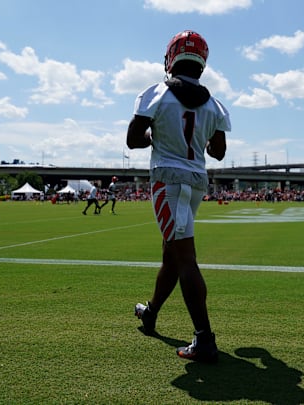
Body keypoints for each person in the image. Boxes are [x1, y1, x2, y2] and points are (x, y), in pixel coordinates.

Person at [128, 30, 230, 363]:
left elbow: (133, 139)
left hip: (167, 179)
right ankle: (151, 312)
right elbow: (218, 152)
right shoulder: (214, 104)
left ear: (171, 57)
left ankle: (204, 339)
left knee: (184, 256)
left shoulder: (156, 93)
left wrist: (157, 133)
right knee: (172, 251)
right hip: (197, 181)